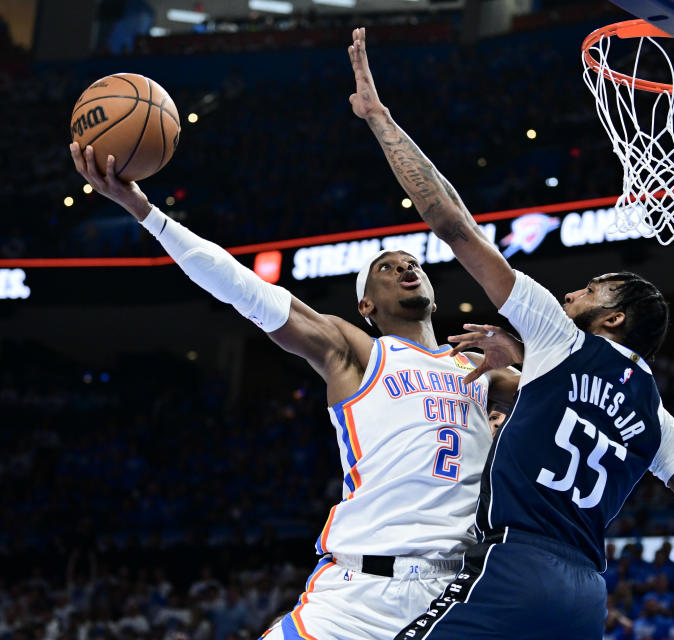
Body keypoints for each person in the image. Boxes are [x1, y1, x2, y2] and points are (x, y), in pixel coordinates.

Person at [346, 26, 674, 639]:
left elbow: (451, 223)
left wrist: (378, 117)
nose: (571, 292)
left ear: (612, 318)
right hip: (585, 599)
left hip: (512, 567)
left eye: (590, 290)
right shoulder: (659, 421)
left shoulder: (559, 335)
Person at [68, 144, 519, 639]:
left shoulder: (481, 370)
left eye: (412, 262)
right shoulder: (356, 351)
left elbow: (585, 391)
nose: (406, 268)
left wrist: (522, 350)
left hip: (456, 597)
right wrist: (144, 211)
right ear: (366, 304)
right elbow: (244, 289)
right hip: (355, 595)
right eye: (387, 268)